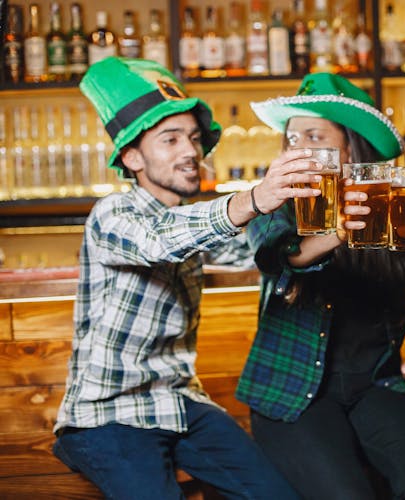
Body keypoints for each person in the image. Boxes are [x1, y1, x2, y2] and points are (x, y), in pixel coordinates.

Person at [52, 57, 321, 499]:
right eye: (171, 139)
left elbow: (267, 255)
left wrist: (337, 233)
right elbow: (159, 240)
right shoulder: (114, 213)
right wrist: (254, 198)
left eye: (194, 139)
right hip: (108, 412)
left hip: (179, 402)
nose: (190, 151)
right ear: (132, 156)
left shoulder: (188, 220)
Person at [235, 72, 405, 500]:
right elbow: (280, 257)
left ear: (351, 147)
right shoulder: (274, 201)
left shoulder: (393, 205)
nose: (298, 148)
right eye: (292, 138)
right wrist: (340, 230)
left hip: (377, 385)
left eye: (314, 136)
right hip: (290, 392)